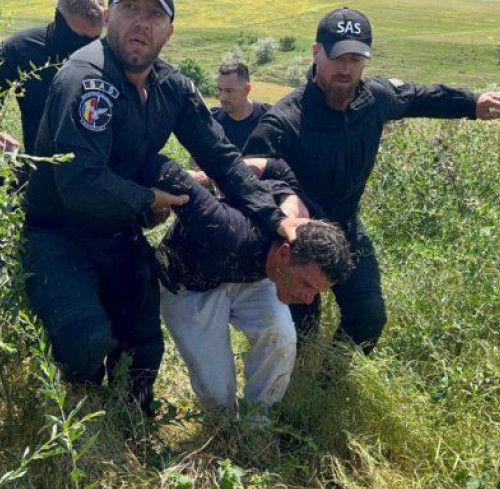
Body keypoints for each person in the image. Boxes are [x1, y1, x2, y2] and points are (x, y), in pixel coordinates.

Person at [22, 0, 300, 414]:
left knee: (144, 347)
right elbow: (79, 182)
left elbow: (222, 159)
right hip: (58, 233)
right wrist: (149, 199)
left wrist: (275, 218)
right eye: (130, 8)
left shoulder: (172, 87)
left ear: (169, 31)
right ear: (109, 17)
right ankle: (81, 417)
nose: (141, 23)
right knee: (85, 340)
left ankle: (131, 422)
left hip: (118, 229)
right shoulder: (88, 79)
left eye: (154, 15)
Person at [243, 7, 500, 354]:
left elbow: (418, 97)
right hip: (297, 238)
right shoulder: (284, 121)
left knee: (368, 316)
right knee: (300, 330)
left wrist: (472, 103)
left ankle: (330, 377)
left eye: (356, 59)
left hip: (347, 227)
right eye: (338, 58)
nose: (346, 68)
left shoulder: (373, 98)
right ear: (316, 53)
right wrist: (283, 206)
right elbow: (248, 177)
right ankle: (295, 382)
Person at [147, 155, 353, 414]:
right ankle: (224, 424)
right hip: (190, 282)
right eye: (306, 284)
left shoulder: (299, 223)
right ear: (284, 253)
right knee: (216, 393)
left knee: (280, 338)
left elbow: (280, 168)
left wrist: (290, 195)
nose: (308, 298)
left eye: (316, 291)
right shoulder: (225, 229)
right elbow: (171, 176)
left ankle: (256, 421)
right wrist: (204, 178)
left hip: (258, 275)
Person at [0, 0, 105, 161]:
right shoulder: (23, 49)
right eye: (77, 39)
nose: (85, 49)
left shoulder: (111, 55)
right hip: (40, 166)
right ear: (59, 19)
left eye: (93, 40)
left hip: (99, 167)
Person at [212, 61, 271, 151]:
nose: (222, 97)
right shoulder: (211, 121)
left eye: (229, 91)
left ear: (247, 89)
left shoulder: (268, 119)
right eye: (220, 90)